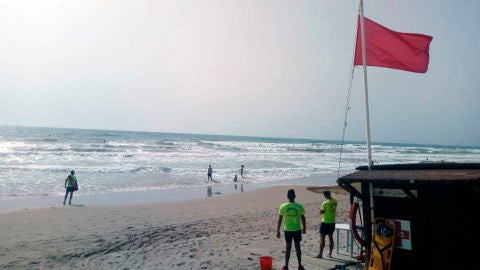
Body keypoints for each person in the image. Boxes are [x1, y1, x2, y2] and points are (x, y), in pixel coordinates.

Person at [277, 189, 306, 270]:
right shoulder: (299, 206)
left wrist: (278, 231)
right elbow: (303, 219)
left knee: (288, 249)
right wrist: (304, 228)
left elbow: (280, 219)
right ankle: (300, 265)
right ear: (295, 196)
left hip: (288, 230)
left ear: (287, 196)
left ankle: (286, 266)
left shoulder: (283, 206)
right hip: (297, 230)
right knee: (298, 248)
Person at [316, 190, 338, 259]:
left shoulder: (325, 203)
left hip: (325, 222)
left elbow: (321, 212)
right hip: (332, 222)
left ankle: (320, 254)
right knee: (330, 238)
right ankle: (330, 253)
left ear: (325, 195)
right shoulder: (335, 201)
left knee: (322, 240)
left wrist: (322, 210)